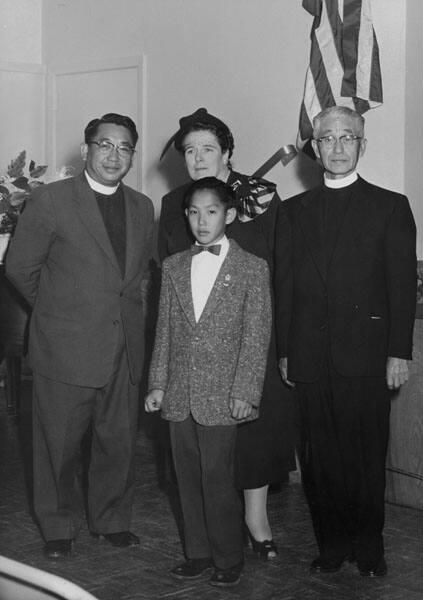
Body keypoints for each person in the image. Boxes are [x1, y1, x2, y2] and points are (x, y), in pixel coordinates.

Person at [275, 105, 417, 577]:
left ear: (362, 145)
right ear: (314, 148)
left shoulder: (390, 206)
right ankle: (332, 543)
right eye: (327, 139)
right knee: (319, 460)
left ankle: (369, 545)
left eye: (347, 138)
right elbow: (286, 286)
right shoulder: (293, 212)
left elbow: (400, 286)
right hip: (311, 357)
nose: (337, 147)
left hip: (368, 357)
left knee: (365, 456)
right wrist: (285, 352)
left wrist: (399, 351)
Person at [6, 113, 154, 559]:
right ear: (86, 149)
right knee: (57, 444)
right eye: (105, 145)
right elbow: (19, 269)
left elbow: (140, 277)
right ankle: (56, 527)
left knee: (118, 440)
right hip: (65, 345)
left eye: (124, 147)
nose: (114, 155)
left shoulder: (143, 206)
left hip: (123, 347)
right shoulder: (51, 200)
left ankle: (111, 520)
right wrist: (58, 314)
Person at [159, 108, 295, 558]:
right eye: (190, 151)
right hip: (197, 338)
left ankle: (256, 518)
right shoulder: (175, 203)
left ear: (228, 153)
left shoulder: (260, 197)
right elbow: (170, 274)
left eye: (208, 149)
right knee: (200, 449)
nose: (198, 158)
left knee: (253, 427)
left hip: (253, 328)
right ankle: (209, 533)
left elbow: (278, 267)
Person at [145, 177, 272, 587]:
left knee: (217, 478)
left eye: (212, 211)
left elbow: (256, 337)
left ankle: (228, 556)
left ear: (230, 215)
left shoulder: (252, 268)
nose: (202, 221)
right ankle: (197, 553)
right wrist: (157, 384)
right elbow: (163, 331)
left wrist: (245, 392)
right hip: (180, 393)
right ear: (186, 216)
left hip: (223, 394)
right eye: (194, 212)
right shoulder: (174, 265)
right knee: (186, 476)